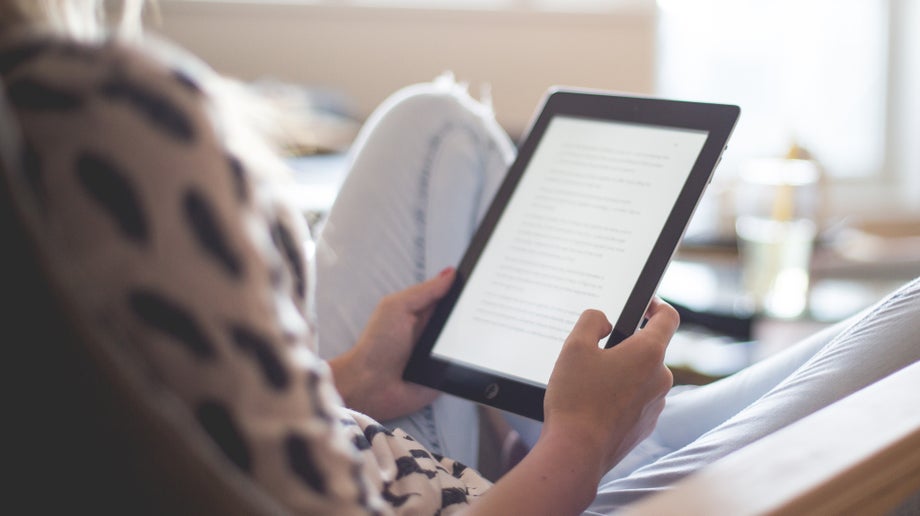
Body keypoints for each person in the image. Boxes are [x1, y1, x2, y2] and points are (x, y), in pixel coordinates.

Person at [1, 1, 917, 514]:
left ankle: (599, 418)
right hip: (526, 499)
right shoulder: (96, 117)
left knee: (431, 126)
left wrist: (354, 378)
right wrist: (578, 446)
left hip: (383, 445)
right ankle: (610, 432)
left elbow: (210, 423)